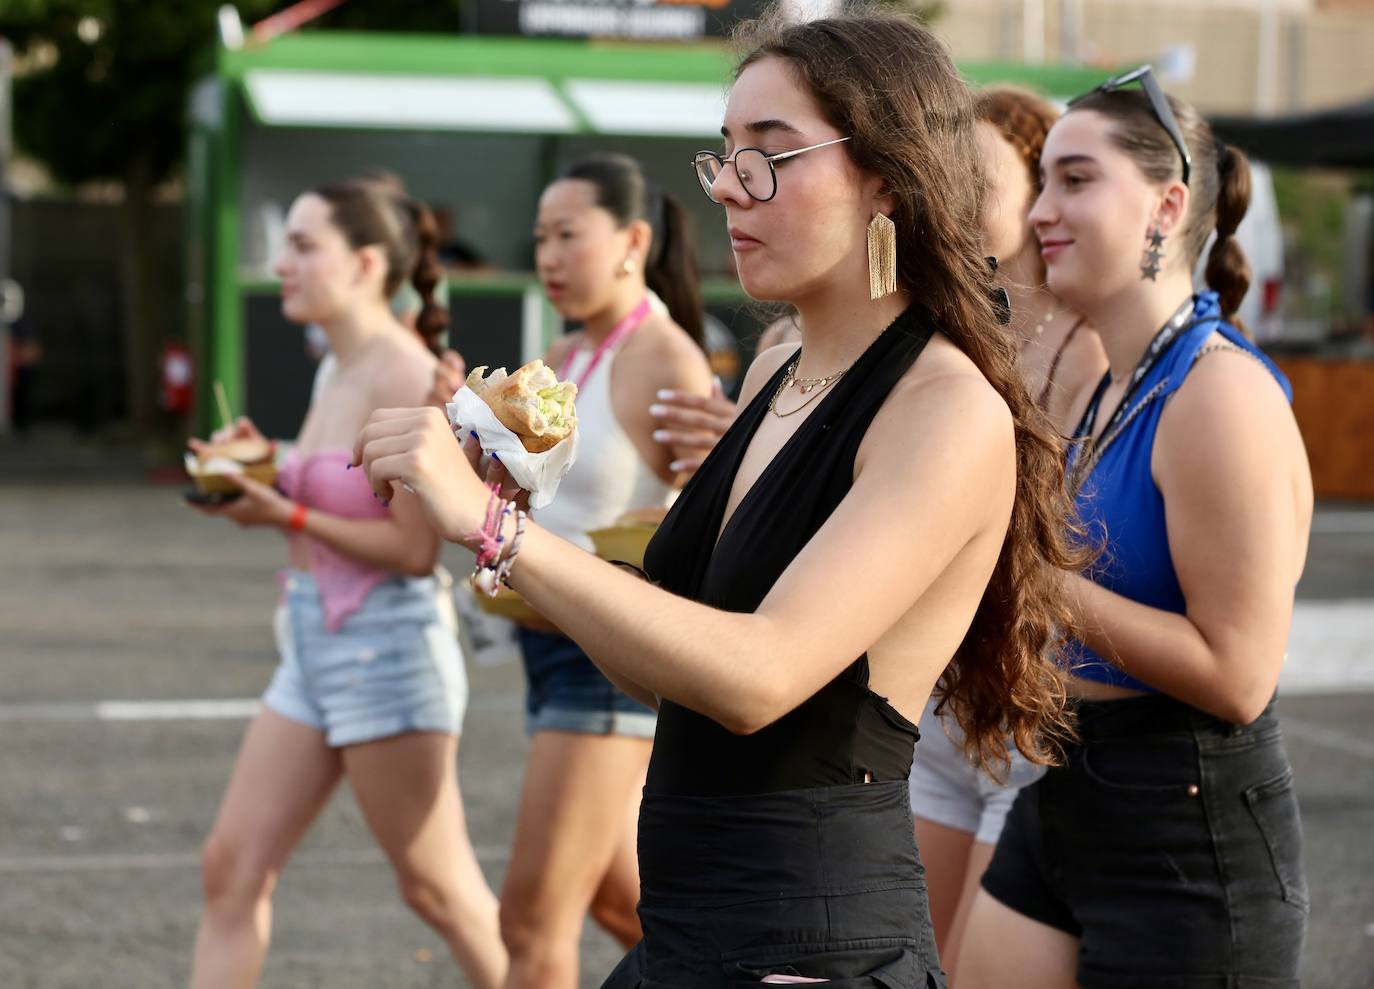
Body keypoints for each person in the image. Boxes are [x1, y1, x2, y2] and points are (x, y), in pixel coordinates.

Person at [354, 13, 1083, 987]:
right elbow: (674, 678)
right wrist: (503, 522)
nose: (732, 186)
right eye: (727, 153)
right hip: (694, 933)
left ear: (886, 177)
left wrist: (497, 530)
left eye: (772, 155)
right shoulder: (781, 374)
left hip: (808, 945)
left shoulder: (944, 407)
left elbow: (761, 675)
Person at [958, 68, 1312, 989]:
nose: (1041, 210)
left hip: (1186, 831)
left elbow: (1239, 676)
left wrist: (1031, 577)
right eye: (1043, 182)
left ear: (1168, 204)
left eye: (1076, 179)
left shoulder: (1217, 392)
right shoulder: (1113, 378)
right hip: (1071, 786)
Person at [187, 179, 505, 989]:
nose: (279, 262)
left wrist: (281, 516)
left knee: (438, 890)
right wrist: (272, 465)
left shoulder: (406, 373)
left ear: (366, 263)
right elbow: (334, 477)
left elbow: (408, 551)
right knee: (230, 867)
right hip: (311, 643)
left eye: (301, 245)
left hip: (386, 650)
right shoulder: (337, 363)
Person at [497, 153, 714, 989]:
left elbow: (706, 530)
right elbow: (543, 495)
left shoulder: (666, 356)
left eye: (567, 234)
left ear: (631, 240)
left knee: (530, 918)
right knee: (626, 906)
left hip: (607, 665)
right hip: (545, 642)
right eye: (540, 236)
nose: (548, 255)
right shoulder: (564, 350)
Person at [907, 85, 1107, 982]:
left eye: (978, 177)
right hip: (944, 704)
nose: (954, 199)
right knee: (917, 961)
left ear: (1038, 196)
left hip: (1031, 711)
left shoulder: (1092, 351)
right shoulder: (954, 336)